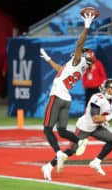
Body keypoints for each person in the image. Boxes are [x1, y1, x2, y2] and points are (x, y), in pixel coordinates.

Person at [39, 13, 96, 173]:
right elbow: (61, 70)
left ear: (84, 56)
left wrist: (86, 27)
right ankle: (80, 140)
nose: (79, 51)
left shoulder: (79, 60)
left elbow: (79, 44)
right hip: (66, 98)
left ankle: (58, 154)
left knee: (48, 129)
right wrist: (48, 59)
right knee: (62, 131)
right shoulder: (82, 67)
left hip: (58, 95)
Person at [41, 79, 112, 180]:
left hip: (96, 127)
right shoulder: (97, 98)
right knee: (72, 151)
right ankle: (48, 166)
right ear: (104, 88)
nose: (110, 92)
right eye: (108, 89)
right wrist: (110, 117)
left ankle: (96, 161)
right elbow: (95, 118)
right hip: (84, 127)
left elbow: (101, 116)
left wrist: (105, 121)